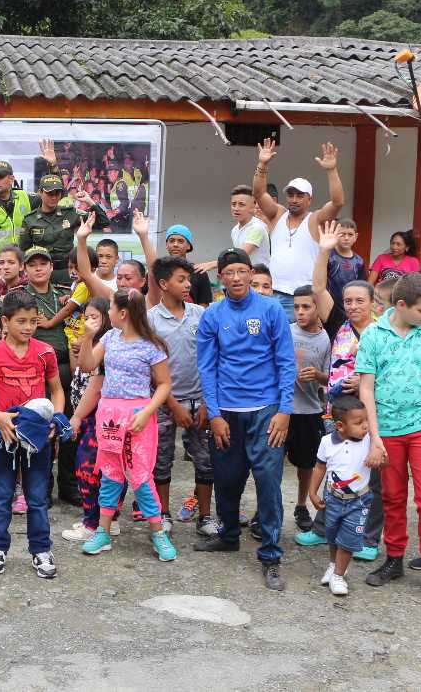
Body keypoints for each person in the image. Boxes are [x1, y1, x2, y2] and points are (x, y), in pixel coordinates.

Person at [193, 248, 296, 593]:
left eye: (241, 271)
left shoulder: (270, 310)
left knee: (268, 482)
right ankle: (229, 536)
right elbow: (206, 367)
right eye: (229, 272)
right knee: (226, 478)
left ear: (251, 274)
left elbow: (285, 362)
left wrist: (284, 411)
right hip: (227, 413)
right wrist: (216, 414)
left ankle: (270, 554)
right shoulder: (212, 316)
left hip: (266, 411)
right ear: (219, 277)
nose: (236, 278)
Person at [356, 272, 421, 599]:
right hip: (387, 431)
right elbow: (366, 389)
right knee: (392, 497)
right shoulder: (373, 335)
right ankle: (393, 559)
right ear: (401, 304)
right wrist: (375, 436)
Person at [297, 223, 382, 560]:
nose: (353, 306)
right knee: (336, 470)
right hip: (337, 414)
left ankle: (367, 538)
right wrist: (324, 250)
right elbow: (318, 286)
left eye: (360, 300)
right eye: (348, 300)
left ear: (373, 302)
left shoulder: (383, 331)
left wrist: (363, 382)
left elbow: (388, 374)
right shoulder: (339, 325)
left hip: (369, 416)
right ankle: (323, 529)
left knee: (369, 478)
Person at [75, 288, 176, 561]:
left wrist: (146, 413)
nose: (107, 313)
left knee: (141, 477)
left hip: (137, 417)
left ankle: (157, 533)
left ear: (122, 313)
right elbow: (87, 365)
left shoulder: (152, 347)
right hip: (108, 415)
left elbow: (164, 385)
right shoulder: (109, 337)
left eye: (109, 308)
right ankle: (103, 531)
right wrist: (86, 336)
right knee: (110, 474)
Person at [0, 290, 67, 579]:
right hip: (5, 435)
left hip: (38, 437)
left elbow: (57, 391)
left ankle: (41, 551)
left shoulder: (45, 352)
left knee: (37, 498)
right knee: (1, 497)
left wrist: (55, 419)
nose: (28, 327)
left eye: (33, 321)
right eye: (21, 321)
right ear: (5, 321)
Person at [0, 245, 75, 505]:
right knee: (4, 485)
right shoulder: (17, 298)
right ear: (25, 269)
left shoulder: (66, 295)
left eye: (44, 263)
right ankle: (29, 494)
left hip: (62, 366)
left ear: (53, 267)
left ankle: (58, 489)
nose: (39, 268)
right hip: (22, 374)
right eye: (33, 264)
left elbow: (57, 391)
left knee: (58, 434)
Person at [146, 256, 217, 539]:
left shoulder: (200, 315)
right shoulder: (150, 319)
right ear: (163, 284)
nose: (188, 285)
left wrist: (206, 401)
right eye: (181, 280)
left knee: (206, 460)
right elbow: (149, 366)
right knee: (162, 460)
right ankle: (163, 513)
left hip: (199, 401)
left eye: (189, 280)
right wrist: (172, 404)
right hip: (164, 403)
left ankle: (205, 515)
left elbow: (211, 360)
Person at [251, 137, 345, 321]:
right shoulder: (277, 214)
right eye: (291, 195)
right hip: (272, 293)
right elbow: (259, 193)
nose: (294, 199)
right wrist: (262, 164)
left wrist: (332, 170)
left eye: (300, 195)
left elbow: (337, 202)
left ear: (309, 199)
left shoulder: (315, 219)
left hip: (302, 297)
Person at [308, 395, 374, 597]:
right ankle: (333, 564)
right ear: (340, 425)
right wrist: (312, 491)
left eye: (366, 421)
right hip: (332, 498)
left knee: (348, 539)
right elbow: (319, 467)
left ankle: (338, 575)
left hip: (359, 501)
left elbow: (384, 460)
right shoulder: (327, 442)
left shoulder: (370, 441)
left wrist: (379, 457)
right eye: (359, 422)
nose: (365, 426)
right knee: (332, 535)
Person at [62, 303, 116, 543]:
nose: (88, 322)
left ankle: (93, 523)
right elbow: (80, 372)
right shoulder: (93, 343)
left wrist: (77, 416)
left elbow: (95, 385)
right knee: (105, 469)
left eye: (95, 317)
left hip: (99, 416)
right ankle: (107, 520)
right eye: (87, 317)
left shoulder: (107, 345)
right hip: (88, 414)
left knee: (90, 469)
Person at [288, 285, 332, 534]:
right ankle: (263, 510)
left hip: (309, 410)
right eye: (296, 307)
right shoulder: (286, 331)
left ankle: (301, 505)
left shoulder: (326, 339)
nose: (300, 312)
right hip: (282, 409)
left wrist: (317, 375)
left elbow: (330, 379)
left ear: (318, 308)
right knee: (270, 462)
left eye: (306, 306)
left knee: (306, 463)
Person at [18, 173, 106, 271]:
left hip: (67, 271)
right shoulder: (30, 220)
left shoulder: (70, 213)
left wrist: (90, 201)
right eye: (50, 193)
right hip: (41, 272)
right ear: (40, 192)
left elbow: (103, 222)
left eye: (57, 193)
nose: (54, 197)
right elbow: (23, 251)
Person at [324, 218, 365, 337]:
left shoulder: (359, 262)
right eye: (342, 234)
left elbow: (362, 286)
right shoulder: (329, 257)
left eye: (350, 235)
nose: (346, 238)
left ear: (356, 236)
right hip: (330, 308)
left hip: (351, 308)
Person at [160, 224, 212, 305]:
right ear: (166, 245)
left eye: (180, 241)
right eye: (171, 241)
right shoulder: (159, 270)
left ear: (188, 246)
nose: (175, 244)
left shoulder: (198, 272)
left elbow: (203, 306)